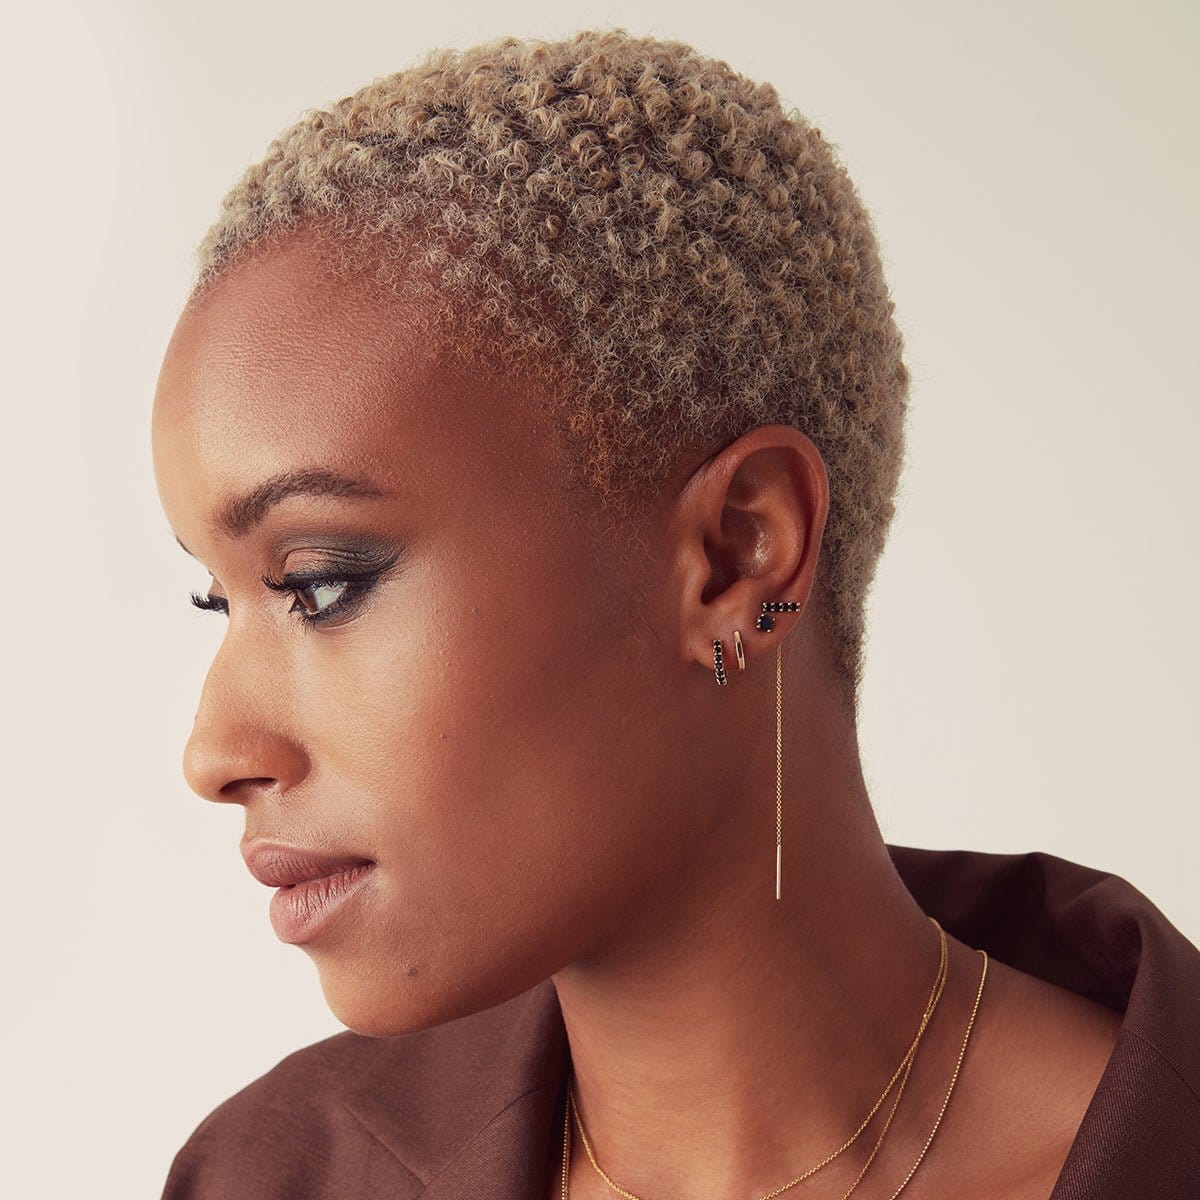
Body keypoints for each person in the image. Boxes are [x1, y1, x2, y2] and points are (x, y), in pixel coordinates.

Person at [152, 27, 1200, 1200]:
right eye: (217, 596)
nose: (215, 753)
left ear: (736, 553)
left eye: (321, 581)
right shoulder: (274, 1175)